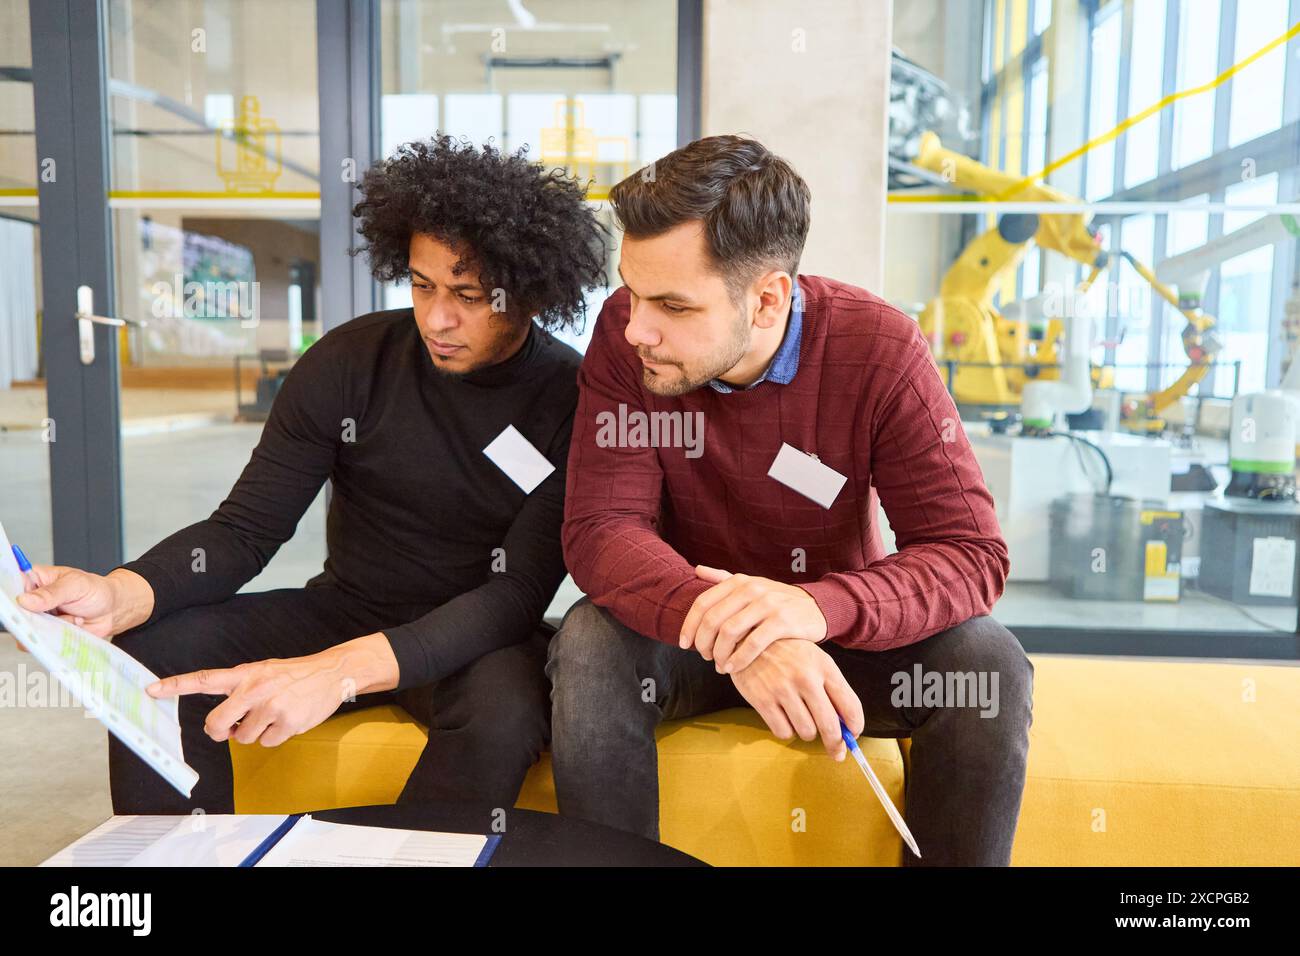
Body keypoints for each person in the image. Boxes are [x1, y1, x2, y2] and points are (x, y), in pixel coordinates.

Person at [18, 135, 606, 814]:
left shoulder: (570, 398)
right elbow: (244, 530)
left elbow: (516, 594)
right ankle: (177, 862)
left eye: (468, 295)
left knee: (503, 709)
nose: (437, 318)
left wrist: (339, 672)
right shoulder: (351, 362)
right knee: (152, 654)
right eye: (421, 285)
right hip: (345, 608)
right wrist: (122, 593)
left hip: (473, 637)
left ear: (530, 294)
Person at [547, 134, 1034, 866]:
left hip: (841, 634)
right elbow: (601, 530)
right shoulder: (628, 343)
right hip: (684, 634)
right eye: (632, 290)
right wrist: (744, 633)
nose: (635, 326)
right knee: (587, 643)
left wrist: (811, 610)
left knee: (987, 665)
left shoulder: (881, 350)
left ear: (769, 297)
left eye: (673, 305)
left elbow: (970, 555)